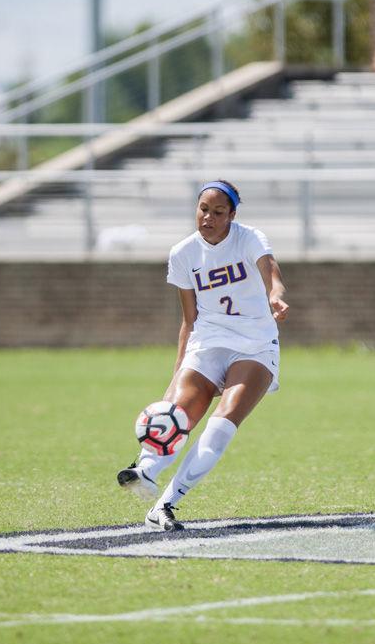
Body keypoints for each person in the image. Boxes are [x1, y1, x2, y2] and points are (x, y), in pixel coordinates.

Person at [116, 179, 289, 531]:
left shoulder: (248, 237)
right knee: (178, 414)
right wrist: (177, 373)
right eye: (203, 209)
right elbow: (188, 319)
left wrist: (276, 294)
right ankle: (143, 471)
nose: (208, 217)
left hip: (255, 344)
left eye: (218, 212)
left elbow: (271, 271)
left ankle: (164, 505)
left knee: (220, 426)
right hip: (208, 342)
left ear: (232, 215)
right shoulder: (183, 253)